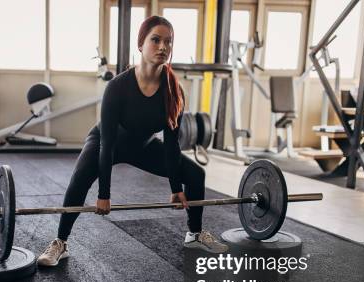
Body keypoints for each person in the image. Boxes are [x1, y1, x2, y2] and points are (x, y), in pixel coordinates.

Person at [38, 15, 228, 267]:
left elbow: (171, 143)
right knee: (80, 178)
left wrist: (175, 187)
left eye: (168, 42)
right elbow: (107, 143)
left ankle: (194, 234)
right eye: (156, 40)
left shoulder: (174, 90)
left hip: (143, 146)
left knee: (195, 174)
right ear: (141, 44)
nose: (163, 47)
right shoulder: (118, 87)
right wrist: (104, 195)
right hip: (107, 142)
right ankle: (60, 242)